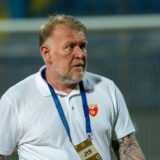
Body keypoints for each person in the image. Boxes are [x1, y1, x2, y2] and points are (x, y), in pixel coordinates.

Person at [0, 14, 145, 160]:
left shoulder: (107, 89)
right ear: (47, 53)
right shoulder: (15, 99)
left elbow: (127, 145)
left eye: (82, 46)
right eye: (70, 47)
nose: (80, 54)